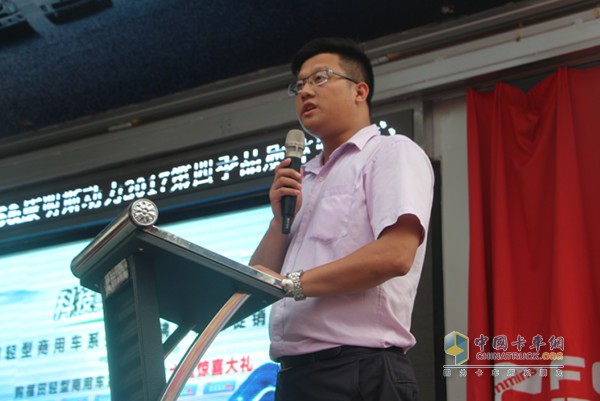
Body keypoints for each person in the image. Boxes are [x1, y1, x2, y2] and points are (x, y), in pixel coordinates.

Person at [250, 37, 434, 401]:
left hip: (360, 371)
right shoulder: (303, 178)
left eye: (320, 78)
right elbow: (258, 284)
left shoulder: (389, 152)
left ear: (359, 91)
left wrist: (294, 283)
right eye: (299, 85)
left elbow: (395, 255)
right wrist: (277, 222)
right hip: (293, 377)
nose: (305, 92)